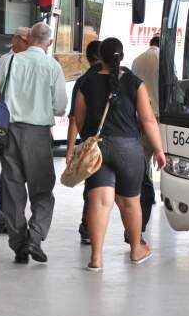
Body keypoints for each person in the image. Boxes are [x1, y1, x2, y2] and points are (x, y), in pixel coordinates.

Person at [74, 37, 165, 271]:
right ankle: (136, 249)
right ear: (121, 56)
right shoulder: (135, 82)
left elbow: (79, 119)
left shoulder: (87, 82)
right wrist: (158, 149)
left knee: (99, 202)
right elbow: (147, 120)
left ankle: (96, 257)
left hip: (99, 147)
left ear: (100, 57)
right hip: (128, 148)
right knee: (129, 202)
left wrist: (85, 139)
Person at [0, 22, 67, 264]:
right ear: (49, 43)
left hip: (10, 132)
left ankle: (19, 245)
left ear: (29, 37)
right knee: (42, 191)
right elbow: (61, 106)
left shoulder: (10, 61)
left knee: (13, 192)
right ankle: (35, 237)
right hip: (39, 134)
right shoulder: (53, 67)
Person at [65, 39, 102, 245]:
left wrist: (71, 150)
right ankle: (134, 234)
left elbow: (73, 119)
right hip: (120, 141)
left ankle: (88, 228)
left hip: (91, 142)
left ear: (88, 58)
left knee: (94, 186)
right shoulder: (123, 76)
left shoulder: (84, 81)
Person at [0, 26, 30, 211]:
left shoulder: (23, 60)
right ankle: (4, 211)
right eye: (26, 40)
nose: (29, 44)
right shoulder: (4, 61)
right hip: (10, 122)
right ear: (16, 40)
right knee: (11, 167)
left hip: (17, 122)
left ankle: (5, 210)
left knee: (12, 168)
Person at [131, 34, 161, 237]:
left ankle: (144, 196)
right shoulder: (163, 60)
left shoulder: (136, 60)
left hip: (140, 117)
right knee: (161, 158)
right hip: (158, 118)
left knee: (143, 161)